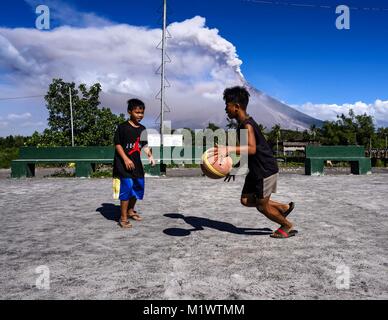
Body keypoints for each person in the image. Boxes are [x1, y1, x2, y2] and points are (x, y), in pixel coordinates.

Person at [211, 86, 297, 238]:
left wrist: (228, 149)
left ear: (236, 107)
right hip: (254, 170)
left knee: (262, 207)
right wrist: (235, 167)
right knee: (245, 200)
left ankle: (286, 225)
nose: (225, 109)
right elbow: (247, 151)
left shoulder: (247, 125)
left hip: (265, 169)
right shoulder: (242, 125)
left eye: (227, 105)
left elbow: (251, 149)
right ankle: (282, 207)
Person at [113, 98, 155, 229]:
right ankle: (123, 218)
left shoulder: (142, 128)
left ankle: (131, 210)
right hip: (122, 164)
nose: (140, 115)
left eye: (142, 112)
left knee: (137, 187)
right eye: (137, 112)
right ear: (129, 112)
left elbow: (144, 145)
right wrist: (125, 159)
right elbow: (118, 145)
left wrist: (150, 156)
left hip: (136, 164)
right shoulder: (122, 127)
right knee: (126, 189)